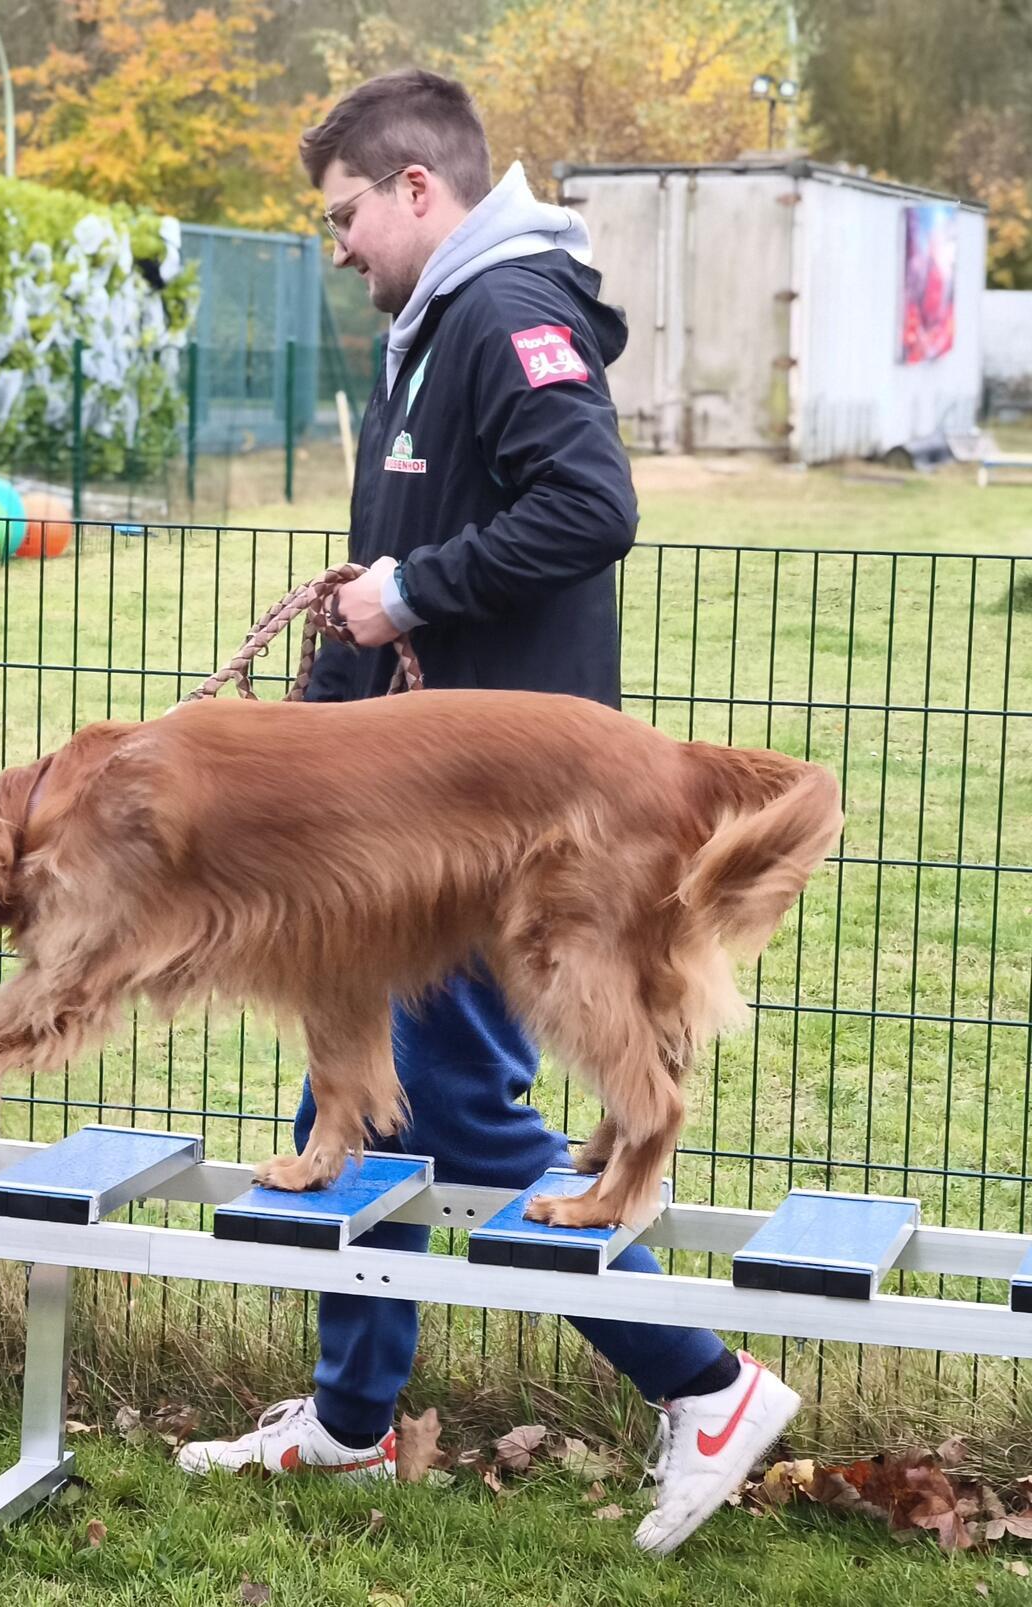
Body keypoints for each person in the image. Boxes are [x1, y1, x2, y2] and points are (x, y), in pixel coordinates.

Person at [175, 67, 798, 1556]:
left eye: (343, 214)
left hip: (494, 833)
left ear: (415, 192)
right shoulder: (431, 317)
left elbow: (591, 509)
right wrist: (314, 722)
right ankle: (346, 1416)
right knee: (350, 1087)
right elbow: (403, 594)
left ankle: (704, 1389)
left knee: (450, 1105)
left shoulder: (512, 311)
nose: (332, 243)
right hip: (404, 808)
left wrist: (408, 589)